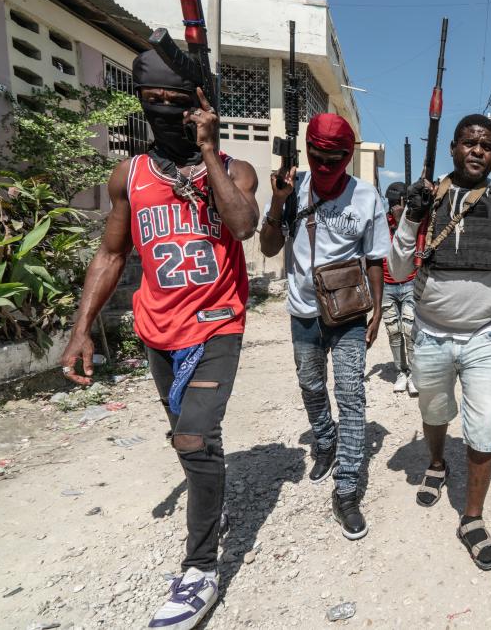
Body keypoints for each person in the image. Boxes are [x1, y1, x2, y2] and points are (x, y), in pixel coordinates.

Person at [59, 50, 260, 630]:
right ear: (143, 103)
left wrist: (205, 150)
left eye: (181, 103)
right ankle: (207, 499)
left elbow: (243, 224)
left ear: (203, 104)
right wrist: (81, 331)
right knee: (185, 436)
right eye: (157, 103)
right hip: (158, 329)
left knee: (195, 438)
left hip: (219, 321)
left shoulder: (233, 167)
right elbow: (112, 253)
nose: (168, 113)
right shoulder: (130, 176)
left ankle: (199, 570)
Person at [388, 114, 491, 571]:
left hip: (486, 336)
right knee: (434, 412)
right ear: (453, 148)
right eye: (469, 143)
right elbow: (395, 270)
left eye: (486, 146)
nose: (477, 151)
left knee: (486, 423)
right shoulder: (427, 200)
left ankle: (472, 518)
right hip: (430, 331)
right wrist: (411, 217)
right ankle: (436, 462)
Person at [259, 113, 389, 541]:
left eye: (334, 158)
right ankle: (325, 439)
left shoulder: (367, 196)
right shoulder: (291, 188)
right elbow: (268, 245)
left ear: (348, 157)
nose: (325, 165)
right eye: (317, 156)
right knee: (311, 386)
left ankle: (347, 490)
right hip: (302, 311)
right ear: (308, 152)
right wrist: (278, 202)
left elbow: (374, 258)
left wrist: (377, 309)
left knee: (352, 397)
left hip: (349, 312)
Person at [381, 181, 418, 395]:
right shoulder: (382, 223)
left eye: (400, 202)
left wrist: (402, 220)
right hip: (387, 286)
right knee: (393, 331)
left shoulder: (411, 222)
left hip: (410, 282)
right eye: (394, 203)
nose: (397, 207)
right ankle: (400, 372)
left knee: (409, 330)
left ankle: (413, 373)